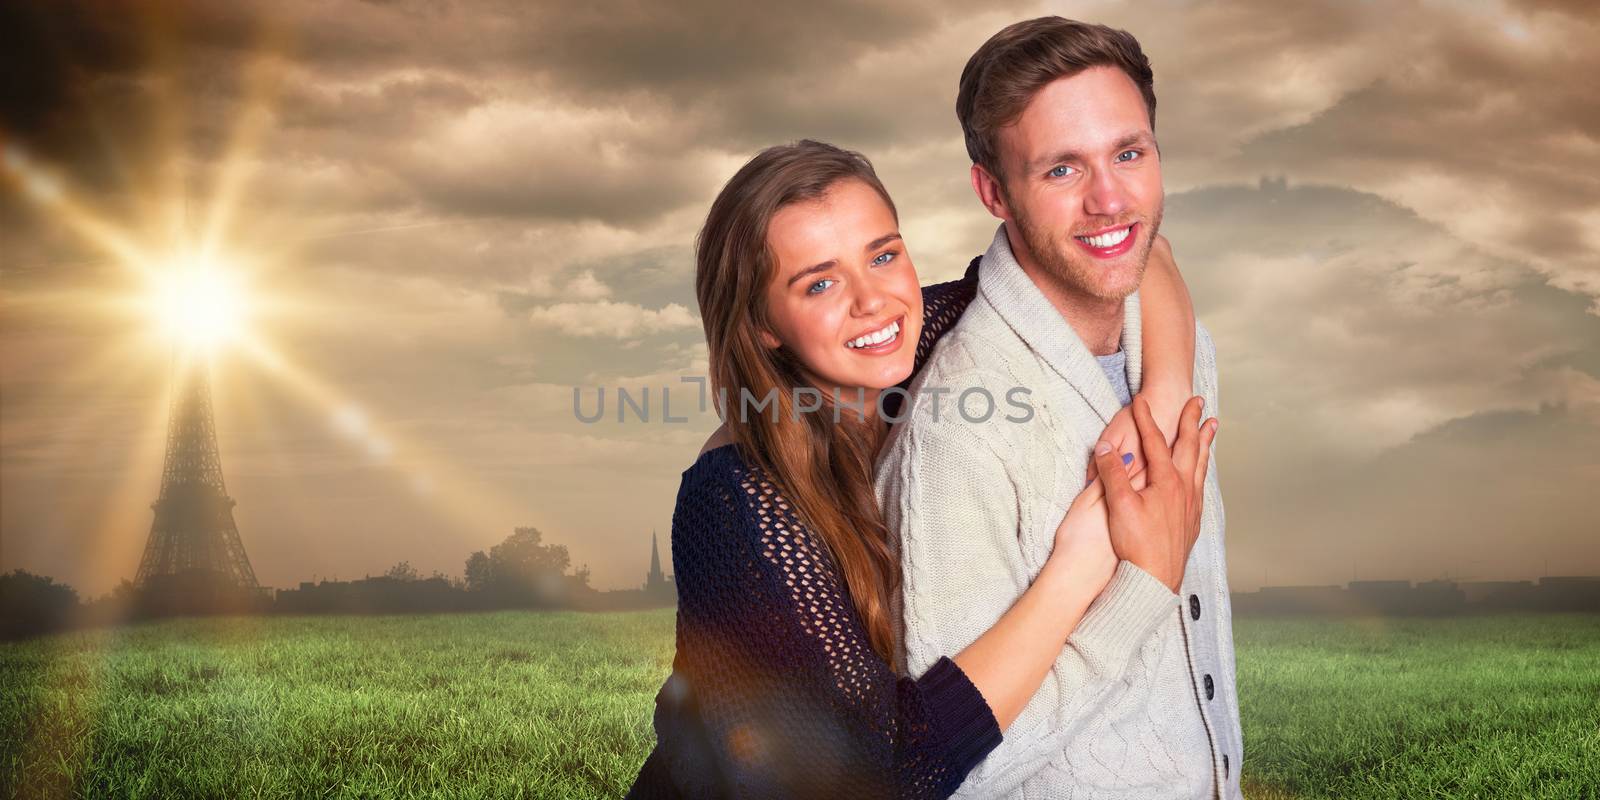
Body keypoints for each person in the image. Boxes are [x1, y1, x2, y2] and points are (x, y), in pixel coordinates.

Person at [625, 138, 1215, 798]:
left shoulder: (926, 332)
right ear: (763, 323)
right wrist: (1082, 573)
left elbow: (1136, 254)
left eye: (883, 255)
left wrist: (1161, 405)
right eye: (819, 283)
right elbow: (876, 777)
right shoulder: (738, 503)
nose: (872, 301)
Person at [876, 17, 1244, 799]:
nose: (1110, 200)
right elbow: (952, 771)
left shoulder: (1182, 345)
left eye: (1128, 153)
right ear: (993, 192)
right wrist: (1140, 583)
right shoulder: (960, 421)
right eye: (1061, 171)